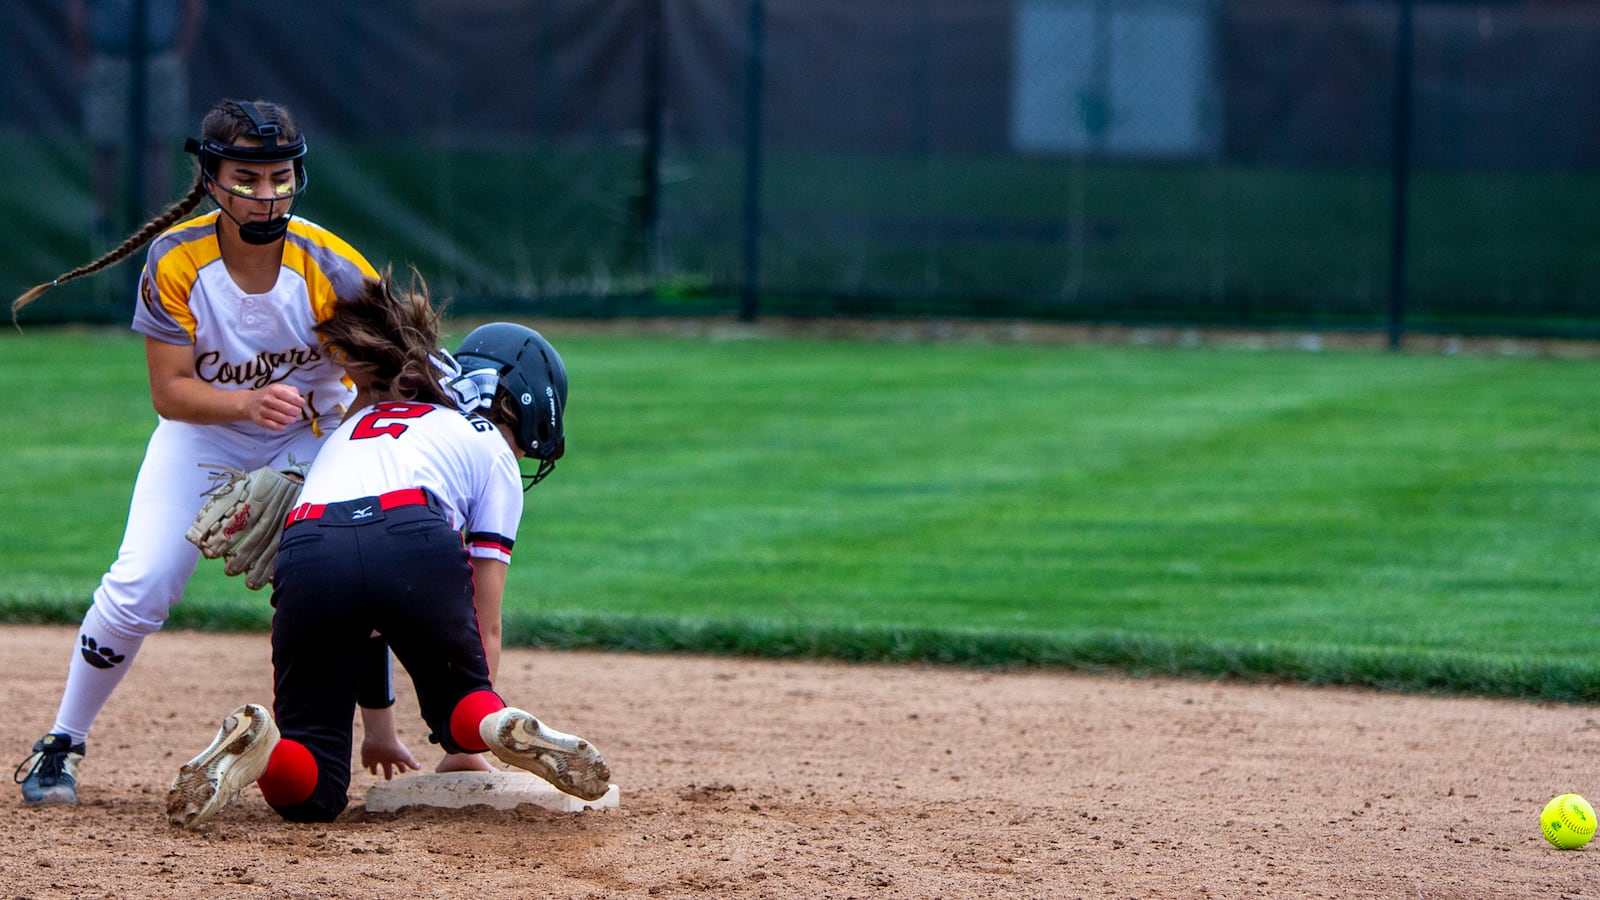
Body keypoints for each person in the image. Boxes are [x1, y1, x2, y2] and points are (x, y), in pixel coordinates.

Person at [10, 98, 400, 807]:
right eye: (246, 179)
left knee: (348, 576)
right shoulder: (177, 257)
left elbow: (382, 382)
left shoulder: (332, 265)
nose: (266, 193)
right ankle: (63, 739)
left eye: (280, 176)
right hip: (205, 432)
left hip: (311, 438)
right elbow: (171, 393)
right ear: (211, 181)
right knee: (141, 581)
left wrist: (313, 460)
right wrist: (248, 404)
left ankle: (352, 737)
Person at [165, 272, 610, 828]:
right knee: (462, 700)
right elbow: (482, 624)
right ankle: (499, 728)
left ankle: (264, 752)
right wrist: (462, 744)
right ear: (522, 409)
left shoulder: (360, 423)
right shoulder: (488, 450)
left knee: (314, 790)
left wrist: (380, 731)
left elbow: (368, 616)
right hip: (413, 533)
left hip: (307, 544)